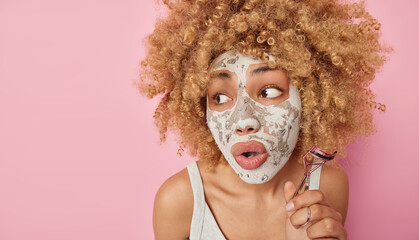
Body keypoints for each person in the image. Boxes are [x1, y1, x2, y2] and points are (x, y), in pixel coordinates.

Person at [137, 0, 389, 239]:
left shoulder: (327, 186)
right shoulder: (178, 202)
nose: (244, 121)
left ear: (311, 98)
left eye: (268, 91)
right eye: (220, 97)